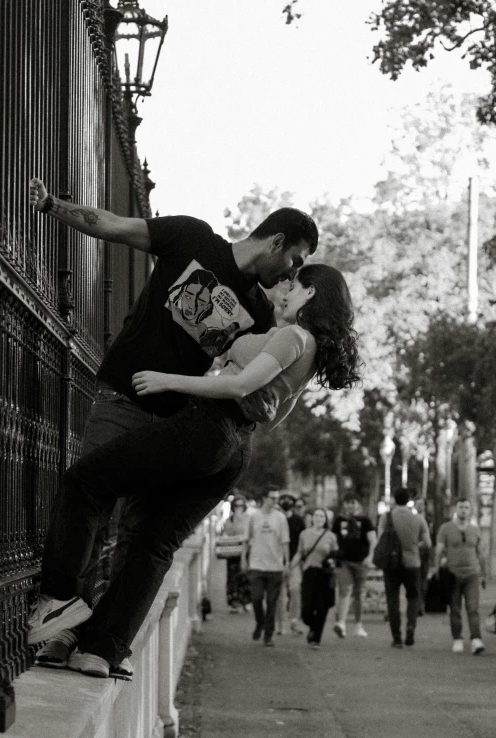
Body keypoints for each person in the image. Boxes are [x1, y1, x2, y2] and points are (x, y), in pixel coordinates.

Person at [27, 177, 318, 677]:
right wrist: (54, 206)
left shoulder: (259, 312)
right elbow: (114, 226)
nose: (292, 271)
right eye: (294, 260)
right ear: (276, 241)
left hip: (175, 422)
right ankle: (63, 629)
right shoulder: (192, 238)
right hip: (123, 395)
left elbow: (267, 373)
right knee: (94, 506)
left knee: (136, 535)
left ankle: (97, 640)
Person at [378, 487, 431, 647]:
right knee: (413, 597)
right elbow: (428, 543)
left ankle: (396, 637)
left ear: (394, 498)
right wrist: (415, 546)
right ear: (409, 500)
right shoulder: (419, 519)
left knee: (392, 599)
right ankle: (410, 627)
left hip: (391, 564)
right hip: (413, 563)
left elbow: (381, 539)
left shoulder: (386, 517)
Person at [435, 498, 486, 655]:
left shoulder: (475, 530)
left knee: (473, 608)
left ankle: (476, 639)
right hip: (453, 575)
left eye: (466, 507)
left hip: (472, 574)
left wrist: (483, 574)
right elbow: (439, 550)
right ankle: (457, 638)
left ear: (470, 510)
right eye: (461, 507)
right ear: (454, 509)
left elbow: (481, 552)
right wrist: (437, 569)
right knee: (455, 608)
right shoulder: (446, 529)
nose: (463, 510)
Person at [241, 490, 290, 646]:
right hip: (256, 564)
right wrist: (243, 558)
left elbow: (285, 541)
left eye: (277, 498)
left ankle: (268, 635)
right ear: (264, 498)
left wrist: (287, 562)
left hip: (275, 566)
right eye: (272, 497)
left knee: (272, 602)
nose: (275, 500)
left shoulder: (281, 518)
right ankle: (260, 622)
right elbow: (246, 539)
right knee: (256, 598)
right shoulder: (254, 516)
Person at [290, 508, 338, 648]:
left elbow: (335, 554)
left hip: (324, 574)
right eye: (316, 515)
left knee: (322, 607)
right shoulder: (304, 534)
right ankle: (312, 626)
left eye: (322, 516)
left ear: (325, 519)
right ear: (312, 518)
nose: (319, 518)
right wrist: (291, 566)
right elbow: (299, 553)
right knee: (307, 608)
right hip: (309, 573)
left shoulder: (331, 536)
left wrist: (332, 561)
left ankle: (316, 637)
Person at [332, 493, 376, 639]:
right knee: (345, 589)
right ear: (344, 504)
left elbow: (372, 540)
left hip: (361, 562)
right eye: (347, 502)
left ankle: (358, 625)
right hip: (344, 561)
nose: (350, 505)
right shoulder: (339, 521)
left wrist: (370, 557)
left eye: (353, 502)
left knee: (359, 594)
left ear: (358, 504)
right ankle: (341, 623)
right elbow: (333, 539)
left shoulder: (365, 520)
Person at [276, 493, 306, 635]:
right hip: (277, 562)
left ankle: (294, 621)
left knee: (295, 591)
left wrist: (295, 562)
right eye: (283, 500)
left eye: (289, 501)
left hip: (294, 562)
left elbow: (303, 543)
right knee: (280, 595)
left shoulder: (298, 521)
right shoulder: (275, 519)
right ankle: (280, 625)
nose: (286, 502)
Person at [223, 495, 251, 613]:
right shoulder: (229, 520)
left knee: (246, 577)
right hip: (233, 553)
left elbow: (249, 534)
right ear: (233, 507)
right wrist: (236, 520)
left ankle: (246, 602)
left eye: (241, 505)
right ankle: (234, 603)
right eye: (236, 505)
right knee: (233, 577)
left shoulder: (249, 519)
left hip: (246, 551)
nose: (239, 507)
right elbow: (228, 534)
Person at [413, 495, 432, 615]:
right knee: (415, 579)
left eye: (422, 504)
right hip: (414, 552)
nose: (420, 506)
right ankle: (418, 605)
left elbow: (432, 539)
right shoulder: (412, 518)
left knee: (423, 579)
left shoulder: (429, 519)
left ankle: (421, 603)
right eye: (417, 503)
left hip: (425, 552)